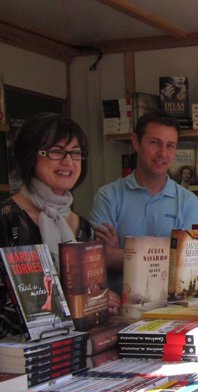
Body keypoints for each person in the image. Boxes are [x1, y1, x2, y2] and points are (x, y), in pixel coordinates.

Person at [0, 113, 120, 330]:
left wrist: (100, 299)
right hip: (13, 356)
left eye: (76, 153)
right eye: (56, 152)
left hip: (73, 350)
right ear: (30, 155)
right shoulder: (6, 219)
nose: (68, 162)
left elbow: (90, 296)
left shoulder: (83, 228)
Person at [90, 110, 198, 294]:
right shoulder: (108, 196)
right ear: (135, 141)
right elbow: (98, 258)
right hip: (120, 310)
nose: (163, 153)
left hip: (172, 307)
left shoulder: (189, 202)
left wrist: (121, 252)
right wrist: (168, 253)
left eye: (170, 146)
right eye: (155, 143)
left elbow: (185, 265)